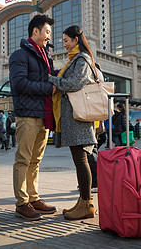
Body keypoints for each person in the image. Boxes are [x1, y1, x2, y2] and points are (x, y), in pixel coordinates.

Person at [9, 14, 57, 221]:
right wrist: (49, 88)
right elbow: (19, 84)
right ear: (35, 31)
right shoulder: (20, 55)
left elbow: (50, 79)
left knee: (35, 161)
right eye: (46, 32)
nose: (48, 37)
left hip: (44, 115)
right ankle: (22, 203)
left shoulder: (46, 56)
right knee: (23, 159)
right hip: (27, 115)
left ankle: (33, 198)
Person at [48, 25, 98, 220]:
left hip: (79, 118)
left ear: (76, 40)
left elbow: (74, 83)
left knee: (81, 160)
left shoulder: (82, 59)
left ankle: (86, 205)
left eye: (67, 40)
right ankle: (83, 201)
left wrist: (51, 79)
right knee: (80, 161)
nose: (65, 45)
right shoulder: (74, 60)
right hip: (75, 119)